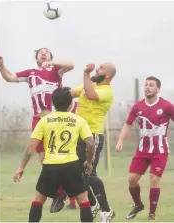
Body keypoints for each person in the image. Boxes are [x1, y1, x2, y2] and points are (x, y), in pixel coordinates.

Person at [0, 48, 74, 177]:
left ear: (50, 57)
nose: (43, 53)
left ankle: (67, 193)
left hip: (55, 119)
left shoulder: (56, 71)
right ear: (36, 58)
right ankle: (58, 194)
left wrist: (51, 63)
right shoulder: (31, 73)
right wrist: (1, 65)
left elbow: (71, 65)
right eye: (40, 53)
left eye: (46, 52)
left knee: (58, 155)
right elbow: (10, 77)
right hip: (38, 119)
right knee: (43, 158)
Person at [28, 87, 95, 222]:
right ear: (71, 104)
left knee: (38, 201)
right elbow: (91, 143)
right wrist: (89, 161)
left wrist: (21, 167)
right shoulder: (78, 120)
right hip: (71, 166)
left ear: (53, 103)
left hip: (50, 166)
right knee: (83, 201)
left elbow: (31, 146)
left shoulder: (45, 120)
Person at [115, 76, 174, 220]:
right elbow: (128, 124)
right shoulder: (137, 106)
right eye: (146, 85)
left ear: (158, 89)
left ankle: (151, 214)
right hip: (142, 150)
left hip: (160, 151)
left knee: (154, 179)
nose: (147, 87)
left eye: (151, 85)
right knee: (132, 180)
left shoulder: (166, 106)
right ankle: (138, 205)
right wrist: (120, 141)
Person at [69, 63, 116, 222]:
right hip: (77, 135)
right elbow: (71, 93)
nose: (97, 70)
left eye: (101, 68)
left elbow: (90, 95)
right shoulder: (90, 83)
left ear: (108, 75)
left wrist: (86, 73)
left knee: (89, 172)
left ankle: (107, 210)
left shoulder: (106, 91)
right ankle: (94, 204)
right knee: (77, 174)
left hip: (92, 136)